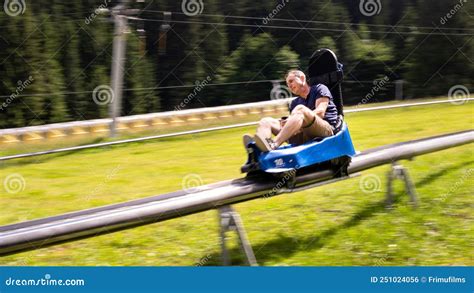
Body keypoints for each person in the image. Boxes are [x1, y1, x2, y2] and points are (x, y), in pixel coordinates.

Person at [245, 69, 340, 152]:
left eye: (291, 81)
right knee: (266, 121)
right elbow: (296, 127)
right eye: (287, 84)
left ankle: (274, 144)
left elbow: (320, 112)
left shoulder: (319, 89)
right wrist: (287, 123)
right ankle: (259, 148)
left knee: (300, 109)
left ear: (302, 78)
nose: (289, 86)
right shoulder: (294, 103)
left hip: (325, 130)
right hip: (304, 135)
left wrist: (298, 117)